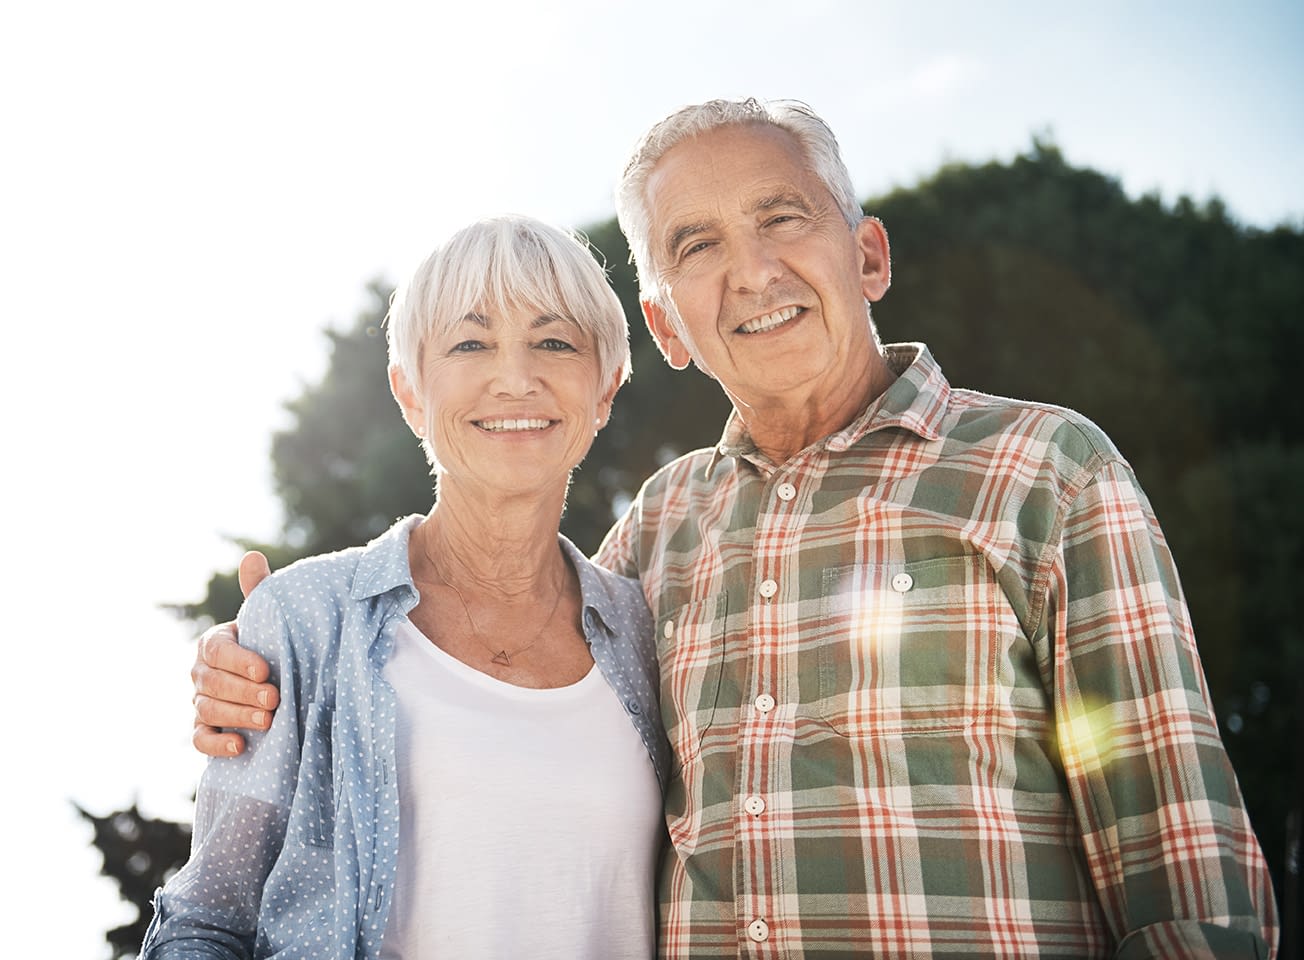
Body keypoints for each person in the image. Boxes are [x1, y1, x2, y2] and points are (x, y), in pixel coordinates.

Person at [191, 99, 1279, 957]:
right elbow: (504, 669)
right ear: (663, 324)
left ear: (867, 255)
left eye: (781, 217)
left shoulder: (1044, 469)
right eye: (697, 243)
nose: (751, 269)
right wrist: (257, 660)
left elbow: (1177, 857)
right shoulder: (653, 540)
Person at [143, 215, 670, 959]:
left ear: (606, 388)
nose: (515, 376)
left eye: (554, 341)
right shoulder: (303, 623)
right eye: (470, 342)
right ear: (410, 392)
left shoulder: (650, 637)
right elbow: (207, 922)